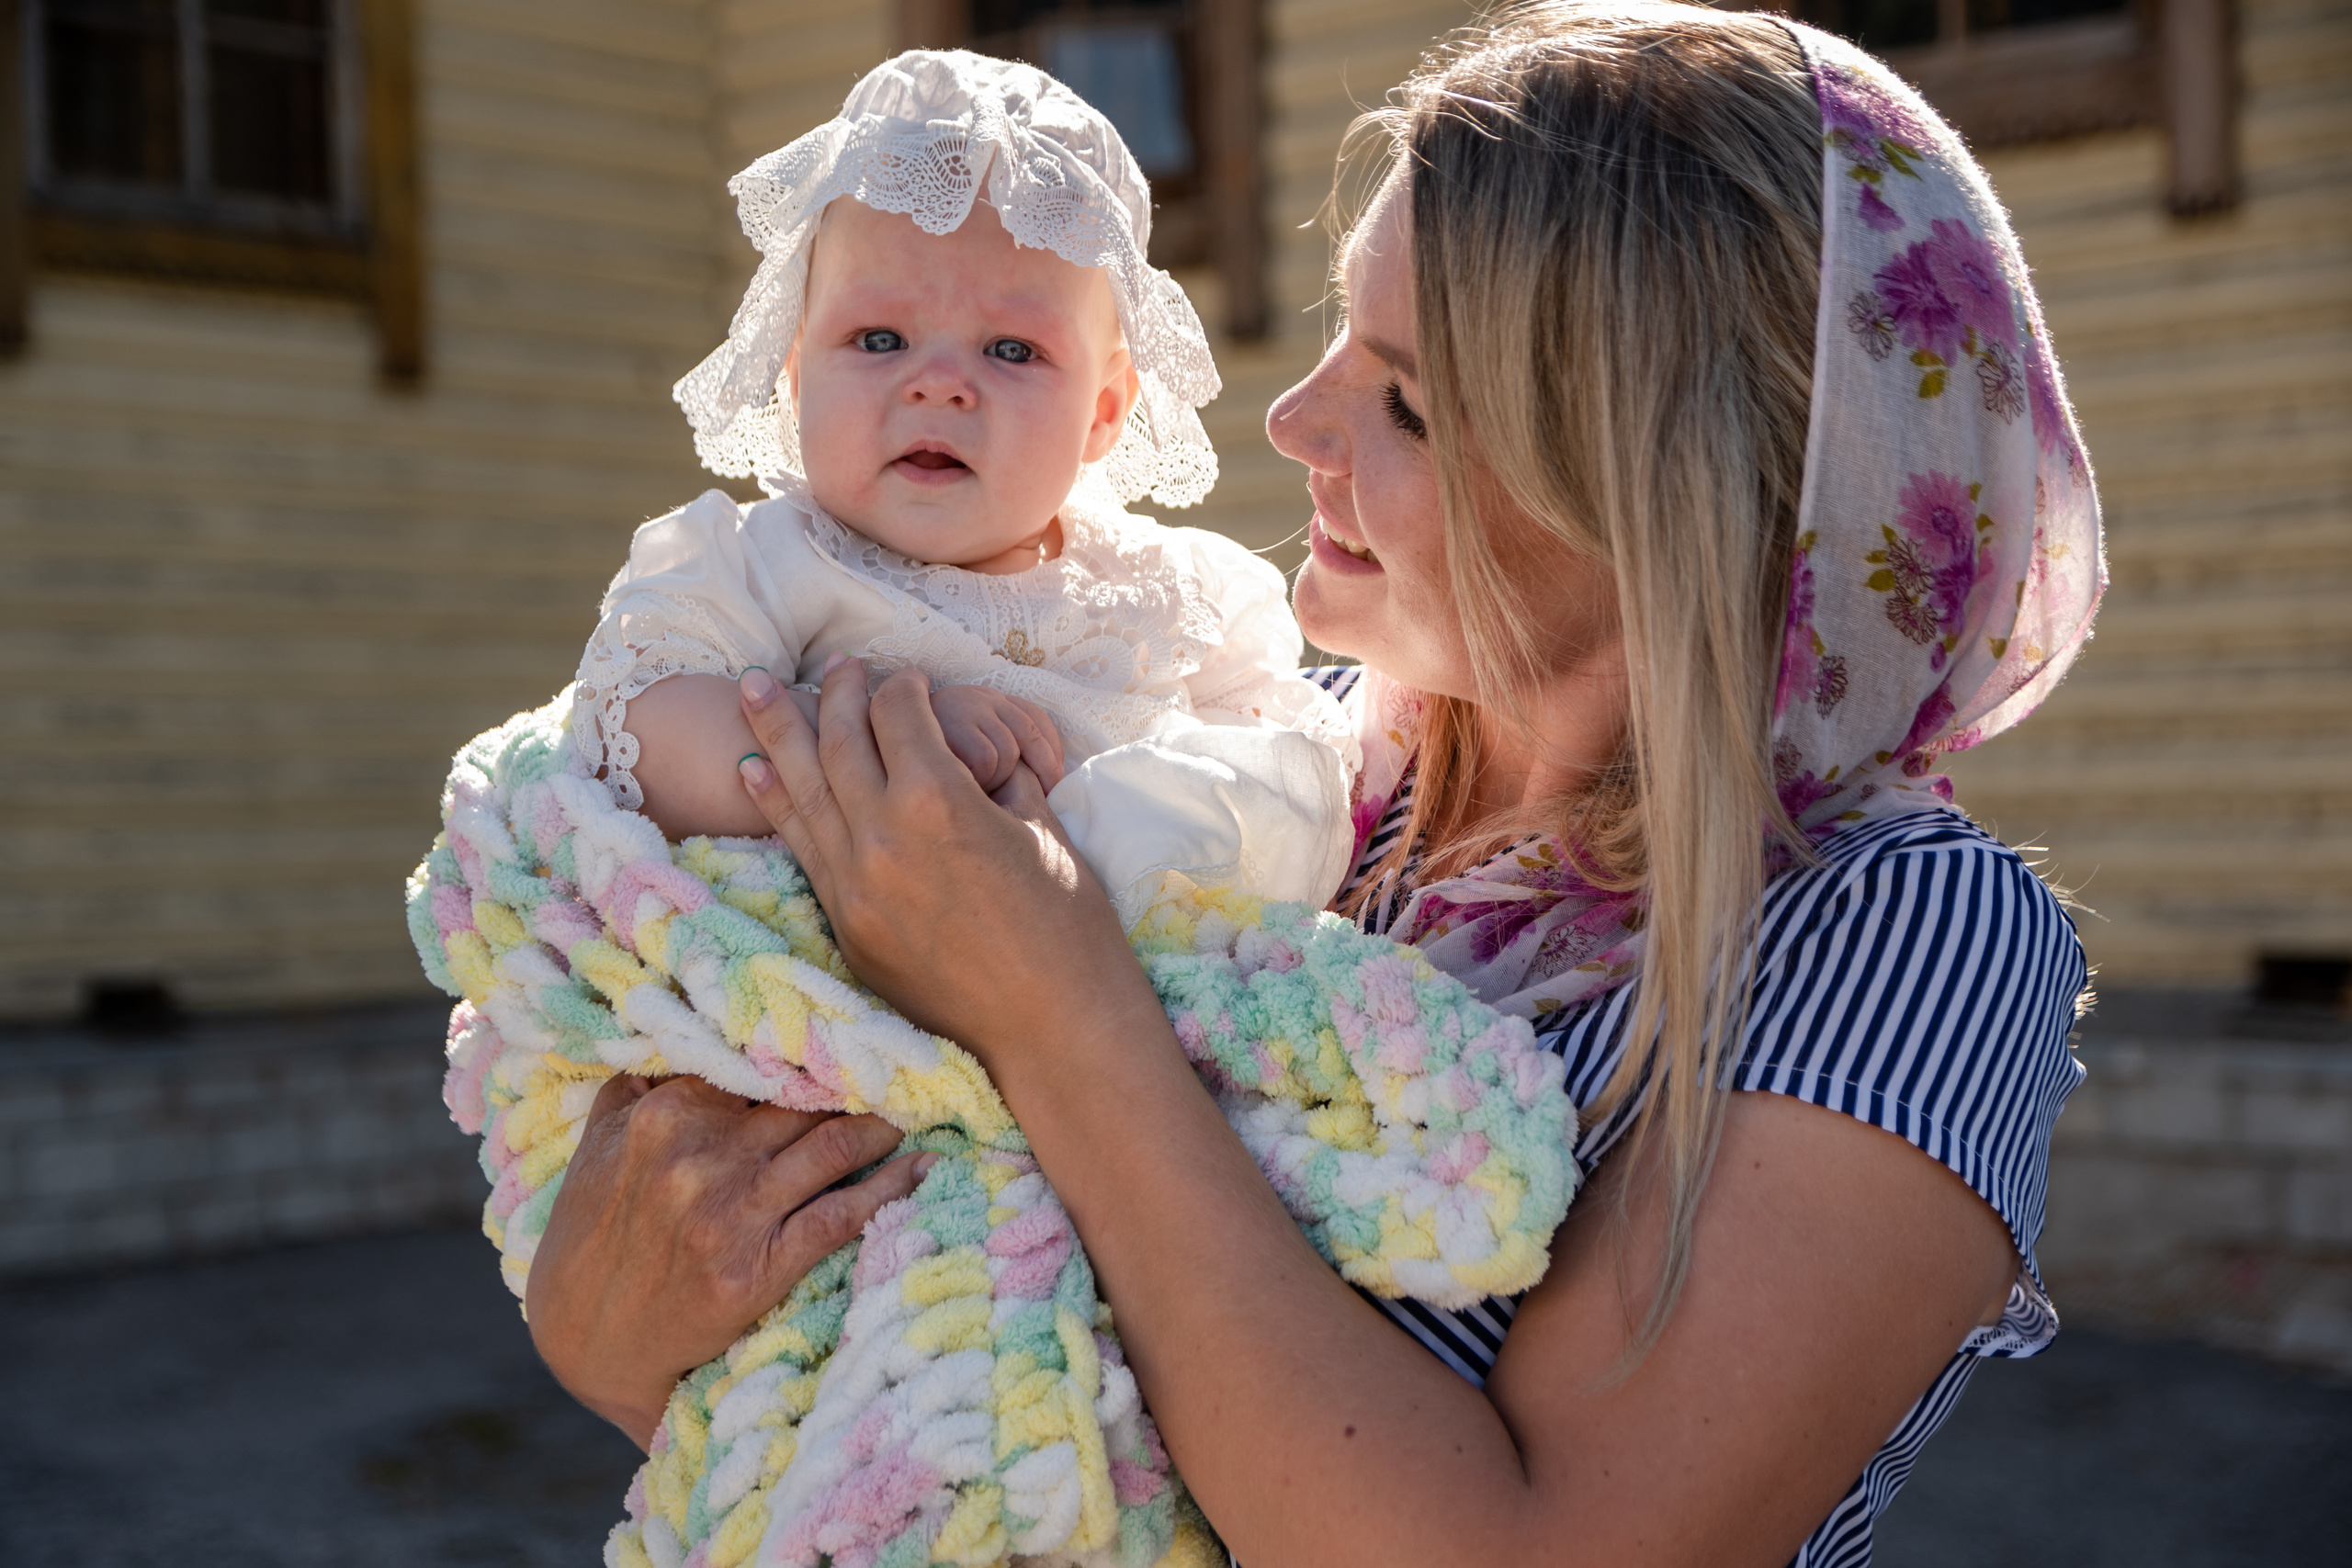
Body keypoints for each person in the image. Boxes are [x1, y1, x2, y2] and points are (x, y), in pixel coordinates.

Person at [523, 6, 2106, 1564]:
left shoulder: (1904, 941)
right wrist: (604, 1330)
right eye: (1342, 336)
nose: (1295, 419)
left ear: (1663, 497)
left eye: (1408, 399)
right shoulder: (1260, 753)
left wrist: (1055, 1002)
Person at [582, 48, 1357, 922]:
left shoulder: (1172, 591)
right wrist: (886, 737)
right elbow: (638, 721)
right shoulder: (767, 560)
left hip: (1131, 1000)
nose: (940, 384)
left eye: (1011, 350)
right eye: (879, 339)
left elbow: (1289, 773)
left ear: (1102, 412)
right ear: (798, 377)